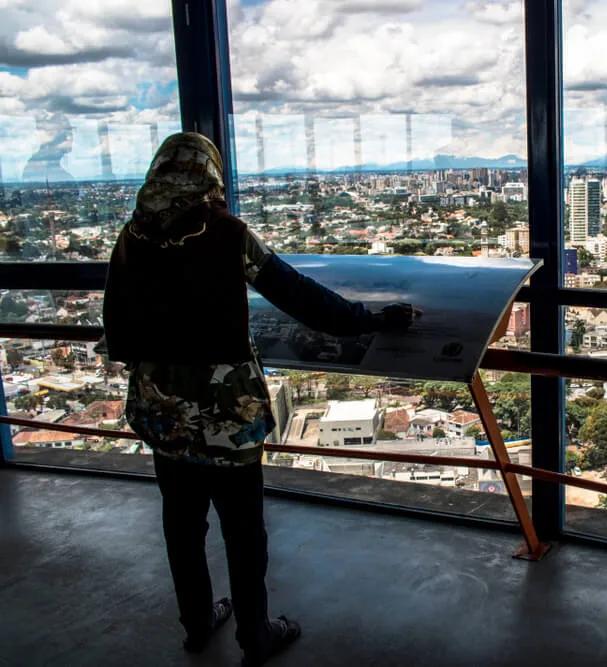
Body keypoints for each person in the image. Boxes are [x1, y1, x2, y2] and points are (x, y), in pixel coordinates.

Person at [101, 132, 414, 666]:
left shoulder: (132, 236)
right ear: (210, 174)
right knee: (244, 531)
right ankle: (255, 635)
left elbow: (117, 328)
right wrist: (370, 320)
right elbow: (299, 296)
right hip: (227, 414)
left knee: (182, 526)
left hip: (163, 411)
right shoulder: (225, 233)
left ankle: (197, 623)